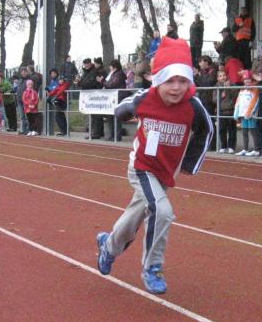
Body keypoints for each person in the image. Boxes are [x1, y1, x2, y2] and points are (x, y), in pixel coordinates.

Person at [95, 36, 213, 294]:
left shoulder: (193, 106)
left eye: (182, 81)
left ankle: (109, 246)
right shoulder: (145, 98)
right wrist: (127, 115)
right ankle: (153, 267)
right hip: (142, 166)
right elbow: (122, 108)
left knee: (136, 215)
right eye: (169, 80)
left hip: (166, 171)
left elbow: (207, 130)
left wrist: (190, 164)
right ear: (156, 79)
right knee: (163, 211)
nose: (176, 88)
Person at [234, 70, 261, 157]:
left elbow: (255, 101)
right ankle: (245, 149)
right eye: (245, 79)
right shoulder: (242, 90)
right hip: (242, 114)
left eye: (249, 79)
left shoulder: (254, 89)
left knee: (253, 132)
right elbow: (238, 101)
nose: (247, 81)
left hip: (251, 115)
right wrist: (236, 112)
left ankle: (256, 149)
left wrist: (249, 112)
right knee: (244, 132)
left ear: (251, 79)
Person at [214, 66, 238, 153]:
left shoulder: (232, 85)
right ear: (218, 78)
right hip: (221, 111)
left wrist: (229, 88)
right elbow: (214, 100)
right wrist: (221, 96)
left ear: (227, 76)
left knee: (232, 129)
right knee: (222, 130)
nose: (222, 77)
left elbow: (235, 96)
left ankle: (231, 146)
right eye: (220, 76)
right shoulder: (216, 86)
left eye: (224, 75)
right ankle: (223, 146)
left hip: (230, 110)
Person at [104, 59, 127, 141]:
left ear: (115, 66)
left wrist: (103, 82)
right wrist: (104, 82)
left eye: (110, 66)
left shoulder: (119, 74)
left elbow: (112, 85)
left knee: (116, 116)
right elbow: (108, 84)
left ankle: (117, 136)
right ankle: (111, 135)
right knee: (110, 116)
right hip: (112, 97)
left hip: (118, 97)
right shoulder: (112, 74)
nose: (109, 67)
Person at [47, 71, 71, 135]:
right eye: (59, 80)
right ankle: (64, 131)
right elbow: (54, 91)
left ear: (64, 80)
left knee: (58, 117)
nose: (60, 81)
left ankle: (64, 131)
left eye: (61, 80)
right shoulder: (59, 86)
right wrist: (49, 94)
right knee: (60, 116)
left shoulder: (65, 85)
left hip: (62, 102)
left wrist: (55, 97)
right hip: (59, 101)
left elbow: (61, 91)